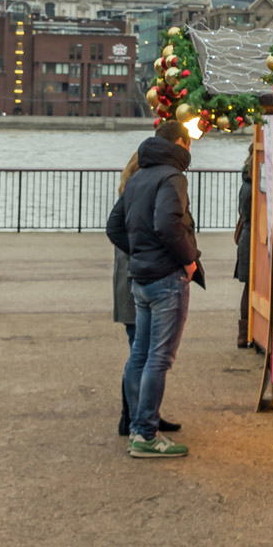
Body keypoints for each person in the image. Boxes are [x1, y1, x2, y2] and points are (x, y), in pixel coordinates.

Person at [106, 118, 204, 458]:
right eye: (188, 142)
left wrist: (139, 252)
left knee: (141, 355)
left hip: (141, 279)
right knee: (159, 359)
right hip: (165, 279)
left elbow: (114, 226)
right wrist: (188, 260)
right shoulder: (172, 177)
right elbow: (167, 223)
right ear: (180, 144)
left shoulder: (139, 177)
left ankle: (137, 425)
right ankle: (146, 433)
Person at [112, 151, 179, 438]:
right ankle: (135, 417)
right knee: (141, 353)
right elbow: (117, 231)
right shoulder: (140, 197)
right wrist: (145, 252)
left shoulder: (131, 193)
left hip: (133, 278)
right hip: (137, 279)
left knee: (142, 351)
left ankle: (144, 413)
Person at [233, 154, 253, 349]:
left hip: (246, 237)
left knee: (248, 286)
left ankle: (245, 332)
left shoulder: (246, 183)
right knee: (250, 286)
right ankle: (246, 332)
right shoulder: (253, 186)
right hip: (251, 238)